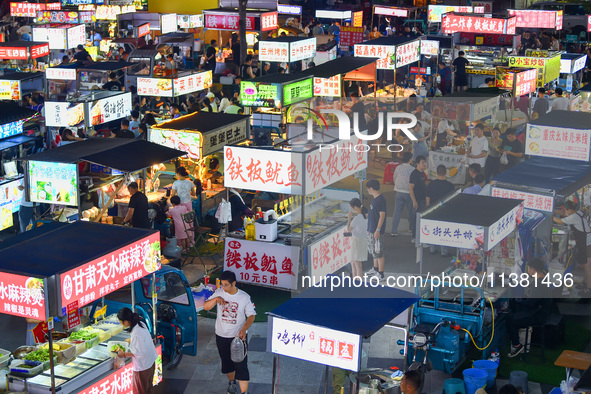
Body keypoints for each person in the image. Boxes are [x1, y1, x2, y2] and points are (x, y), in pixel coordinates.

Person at [203, 270, 256, 394]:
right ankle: (232, 382)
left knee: (241, 364)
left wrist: (243, 329)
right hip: (221, 335)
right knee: (227, 363)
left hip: (238, 337)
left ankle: (244, 391)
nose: (223, 287)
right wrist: (216, 299)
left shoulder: (244, 297)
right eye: (222, 284)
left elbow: (251, 316)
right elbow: (206, 307)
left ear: (234, 283)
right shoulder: (219, 293)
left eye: (226, 284)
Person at [506, 257, 552, 357]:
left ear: (533, 269)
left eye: (529, 268)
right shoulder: (542, 280)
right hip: (539, 311)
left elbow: (531, 303)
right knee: (514, 312)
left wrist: (520, 300)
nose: (528, 270)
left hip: (538, 316)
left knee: (510, 320)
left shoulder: (539, 284)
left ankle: (517, 345)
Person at [116, 307, 158, 394]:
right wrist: (131, 340)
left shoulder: (136, 334)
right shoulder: (140, 324)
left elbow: (139, 353)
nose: (121, 324)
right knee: (148, 389)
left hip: (143, 368)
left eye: (121, 322)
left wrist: (123, 354)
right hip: (150, 363)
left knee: (140, 391)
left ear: (126, 321)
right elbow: (143, 338)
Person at [553, 200, 591, 294]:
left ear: (569, 210)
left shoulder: (574, 217)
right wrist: (556, 211)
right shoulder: (578, 213)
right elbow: (565, 215)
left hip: (586, 245)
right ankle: (585, 284)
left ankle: (588, 289)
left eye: (566, 210)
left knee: (587, 267)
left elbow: (559, 221)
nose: (565, 211)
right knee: (587, 266)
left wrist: (550, 215)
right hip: (586, 243)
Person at [427, 165, 455, 256]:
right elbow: (452, 199)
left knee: (433, 230)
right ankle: (444, 251)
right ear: (446, 173)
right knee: (444, 231)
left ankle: (432, 249)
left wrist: (428, 209)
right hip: (445, 212)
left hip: (433, 210)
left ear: (436, 172)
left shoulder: (431, 184)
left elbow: (428, 198)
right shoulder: (450, 186)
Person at [366, 179, 386, 280]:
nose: (367, 190)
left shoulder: (380, 200)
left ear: (371, 188)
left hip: (376, 231)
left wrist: (378, 229)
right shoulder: (374, 200)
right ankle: (375, 269)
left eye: (368, 188)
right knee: (374, 251)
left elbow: (382, 215)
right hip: (371, 230)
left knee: (379, 252)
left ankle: (381, 273)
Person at [391, 152, 415, 237]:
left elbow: (394, 177)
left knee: (397, 211)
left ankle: (394, 230)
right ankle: (411, 228)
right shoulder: (412, 169)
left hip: (399, 191)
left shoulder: (398, 167)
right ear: (409, 159)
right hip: (408, 192)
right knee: (411, 211)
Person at [347, 198, 368, 279]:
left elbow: (348, 229)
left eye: (351, 207)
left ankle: (358, 282)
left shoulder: (357, 218)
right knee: (353, 261)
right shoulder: (365, 216)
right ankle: (355, 280)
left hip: (357, 242)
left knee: (357, 263)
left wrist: (349, 217)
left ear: (355, 207)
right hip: (362, 240)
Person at [409, 156, 428, 243]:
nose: (424, 164)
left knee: (420, 218)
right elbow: (410, 188)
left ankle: (418, 237)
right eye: (422, 163)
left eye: (425, 162)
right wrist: (414, 201)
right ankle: (415, 237)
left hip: (422, 199)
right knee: (416, 219)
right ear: (417, 164)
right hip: (417, 200)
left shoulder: (422, 173)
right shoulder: (414, 174)